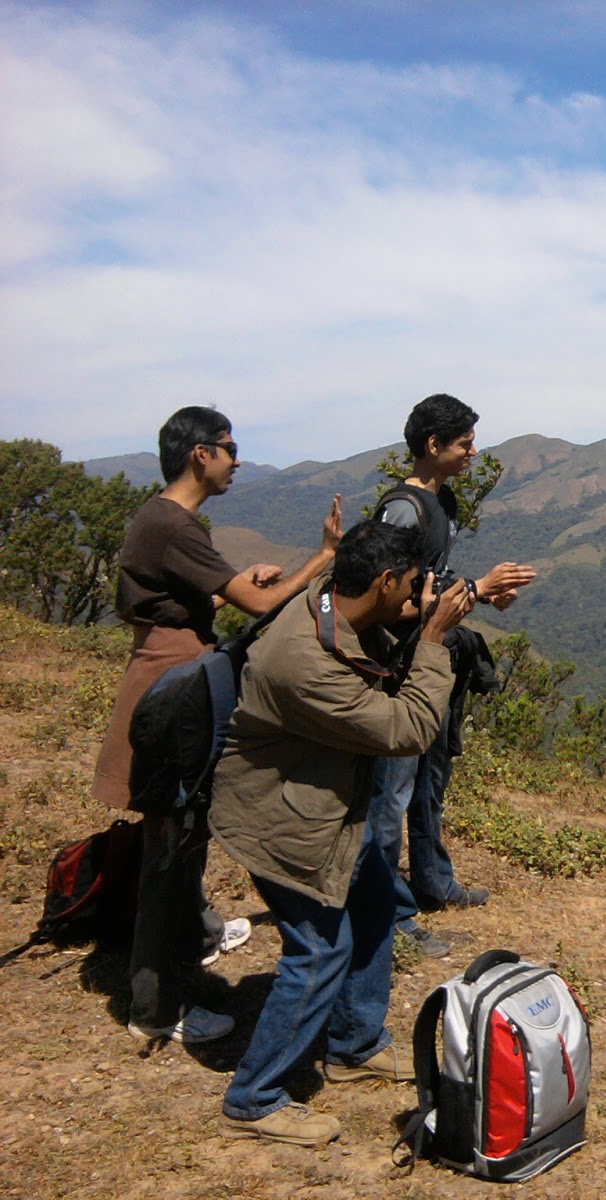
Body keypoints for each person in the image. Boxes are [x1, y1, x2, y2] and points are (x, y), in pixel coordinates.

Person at [211, 520, 474, 1147]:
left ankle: (353, 1045)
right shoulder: (302, 661)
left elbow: (376, 642)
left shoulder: (334, 601)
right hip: (283, 823)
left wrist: (427, 611)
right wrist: (433, 638)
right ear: (383, 581)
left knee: (377, 902)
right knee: (319, 951)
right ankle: (253, 1099)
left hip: (324, 810)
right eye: (410, 584)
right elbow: (407, 729)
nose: (415, 594)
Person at [94, 406, 342, 1043]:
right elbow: (259, 605)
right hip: (174, 689)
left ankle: (194, 937)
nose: (236, 459)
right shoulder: (172, 523)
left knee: (183, 831)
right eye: (229, 448)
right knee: (169, 845)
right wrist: (322, 557)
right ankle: (154, 1007)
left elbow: (174, 599)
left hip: (171, 676)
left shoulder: (166, 520)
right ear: (200, 454)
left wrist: (224, 589)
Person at [368, 393, 535, 954]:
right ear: (433, 444)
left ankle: (433, 881)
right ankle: (390, 915)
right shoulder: (403, 511)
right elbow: (384, 602)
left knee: (430, 780)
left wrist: (480, 597)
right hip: (399, 668)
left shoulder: (442, 503)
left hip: (433, 658)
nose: (472, 452)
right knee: (391, 794)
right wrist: (476, 589)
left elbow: (429, 584)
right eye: (464, 443)